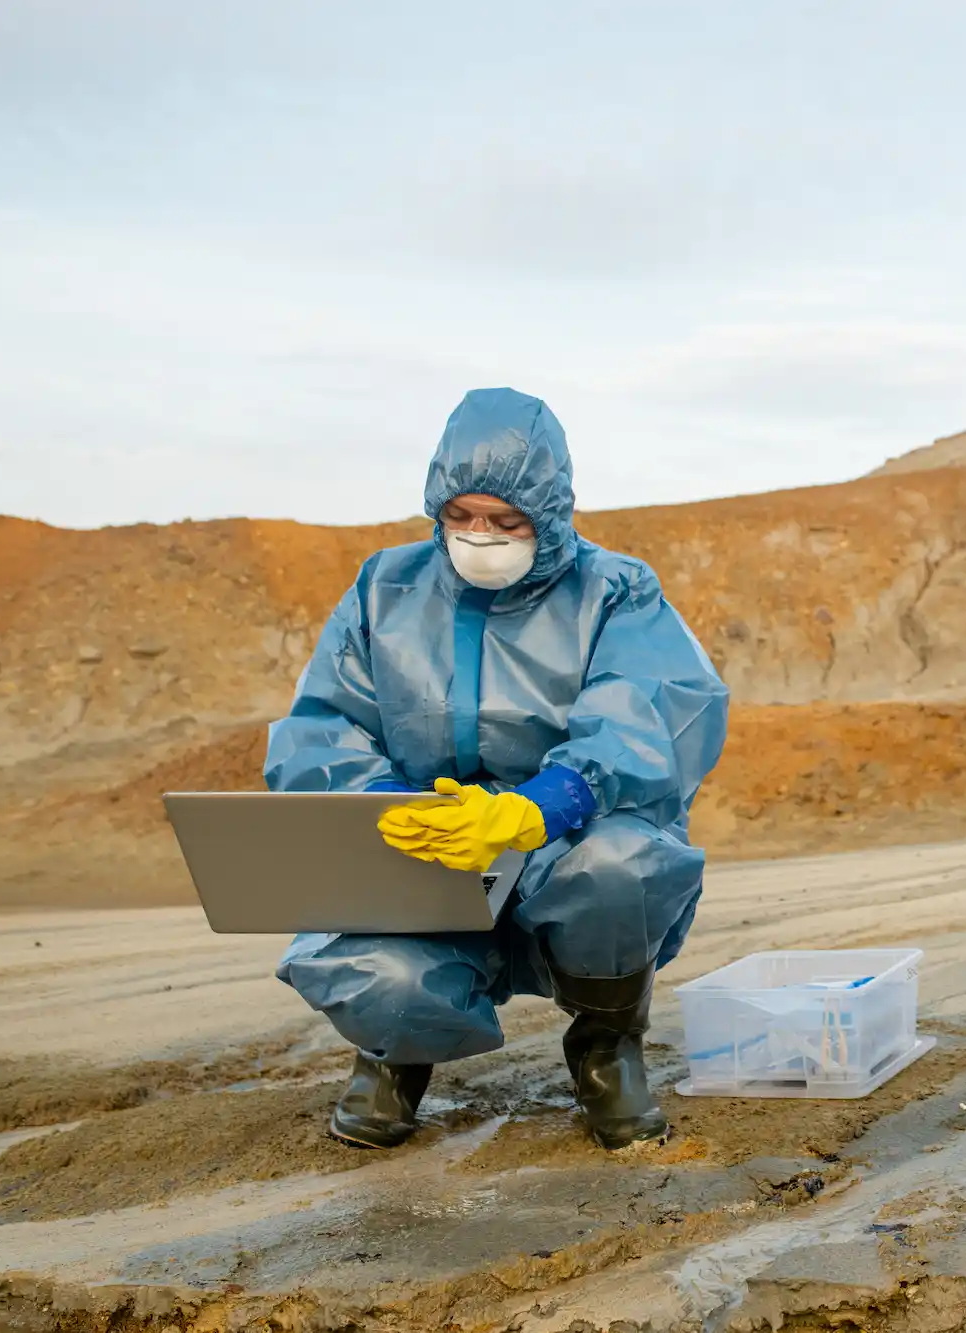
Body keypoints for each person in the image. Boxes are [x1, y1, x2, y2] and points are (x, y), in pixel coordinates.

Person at [267, 387, 730, 1152]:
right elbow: (324, 724)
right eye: (462, 516)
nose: (481, 536)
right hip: (430, 846)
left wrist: (546, 802)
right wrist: (384, 801)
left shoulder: (614, 589)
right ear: (436, 506)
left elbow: (648, 706)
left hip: (559, 838)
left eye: (506, 521)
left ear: (548, 515)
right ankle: (395, 1055)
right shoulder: (383, 588)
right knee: (374, 962)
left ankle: (606, 1045)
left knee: (622, 865)